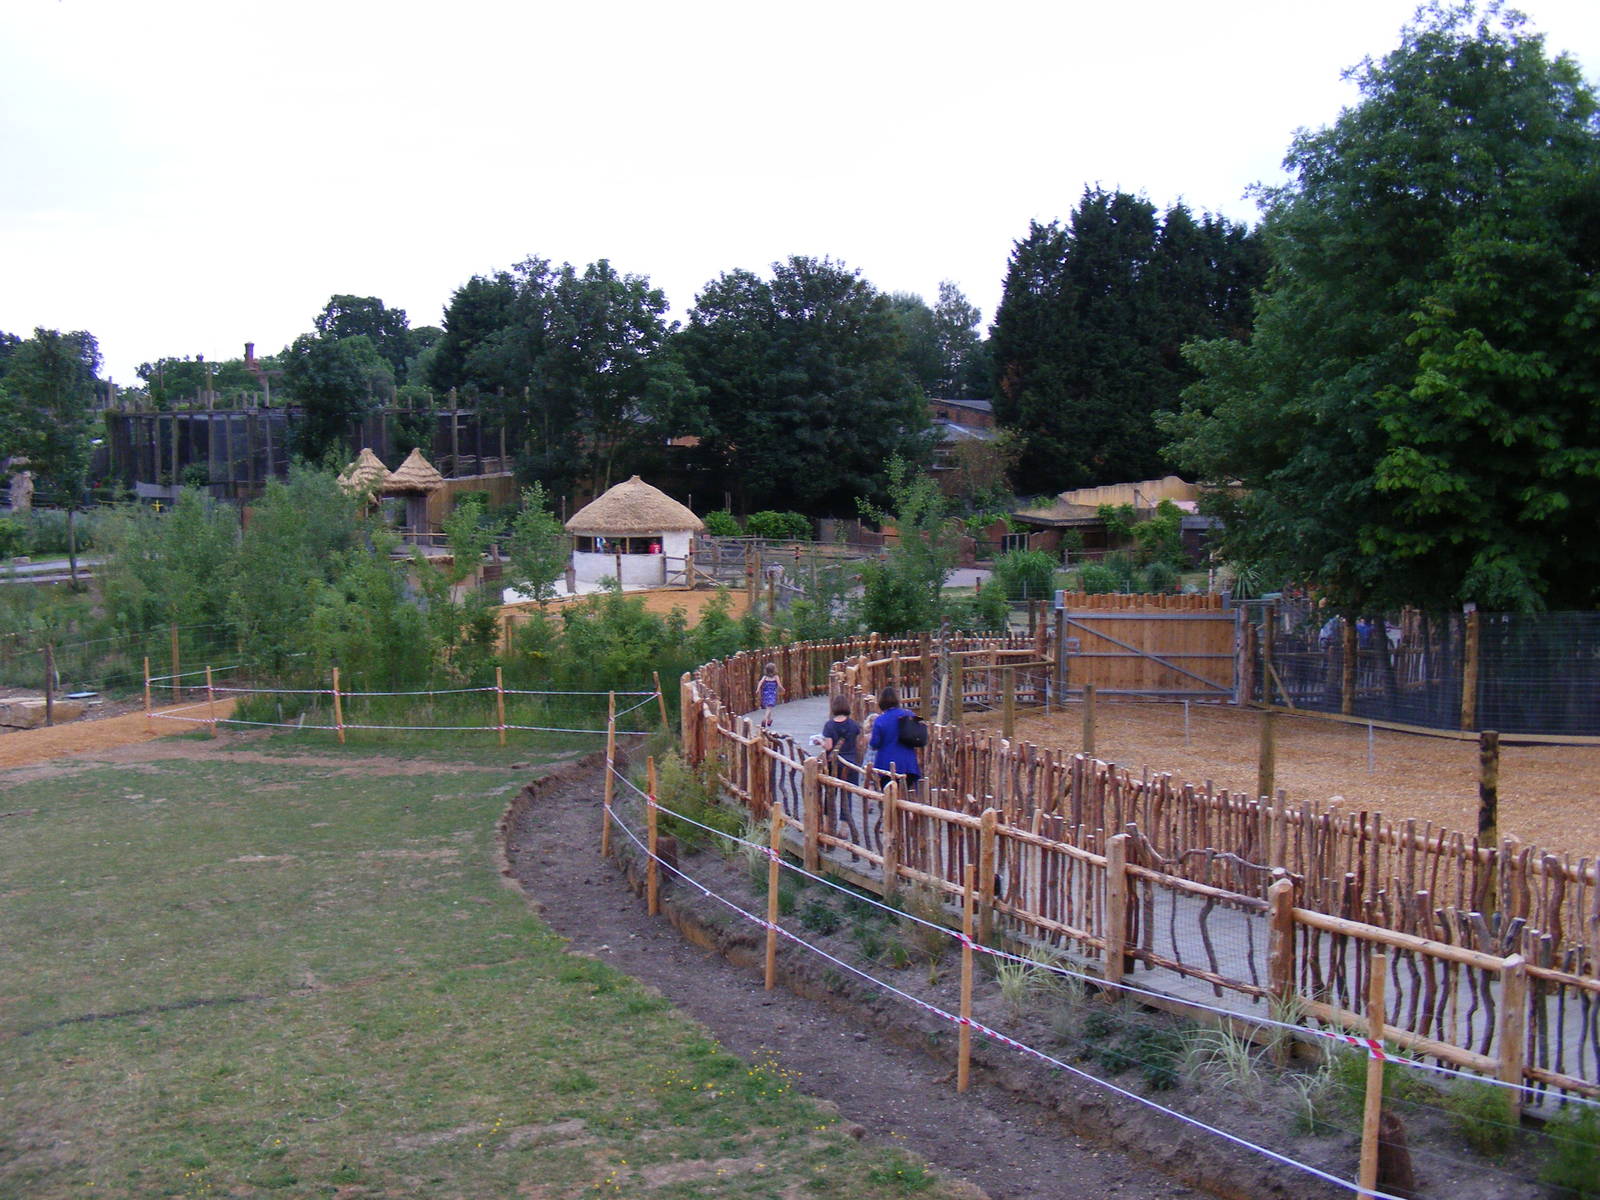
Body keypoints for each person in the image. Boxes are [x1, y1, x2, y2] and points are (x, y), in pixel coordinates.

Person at [869, 685, 921, 792]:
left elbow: (874, 743)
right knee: (906, 796)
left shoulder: (880, 720)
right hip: (908, 765)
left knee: (889, 797)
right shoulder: (910, 715)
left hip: (886, 766)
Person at [820, 695, 861, 783]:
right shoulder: (854, 724)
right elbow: (858, 743)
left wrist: (820, 742)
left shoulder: (829, 725)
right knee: (848, 791)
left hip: (834, 763)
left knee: (831, 792)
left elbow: (828, 746)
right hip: (850, 762)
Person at [758, 661, 784, 729]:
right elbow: (779, 684)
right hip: (772, 693)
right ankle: (764, 719)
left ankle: (769, 720)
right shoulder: (776, 677)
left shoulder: (765, 677)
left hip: (765, 693)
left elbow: (760, 682)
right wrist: (782, 689)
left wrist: (758, 689)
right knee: (769, 707)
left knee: (768, 707)